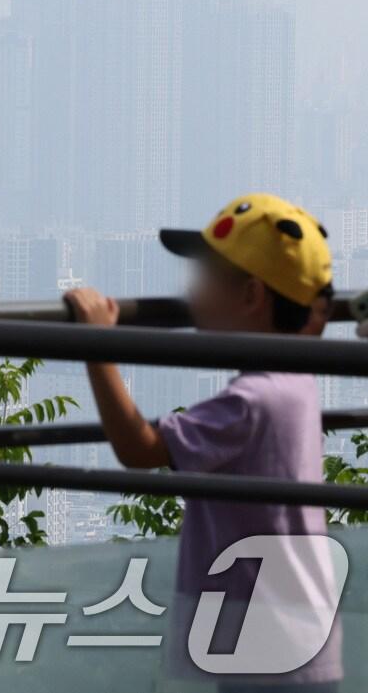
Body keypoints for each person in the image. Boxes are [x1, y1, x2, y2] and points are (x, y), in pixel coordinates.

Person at [64, 193, 341, 692]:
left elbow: (139, 450)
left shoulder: (251, 400)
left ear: (251, 296)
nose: (190, 292)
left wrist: (96, 343)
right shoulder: (296, 381)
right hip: (293, 635)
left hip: (265, 645)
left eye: (206, 277)